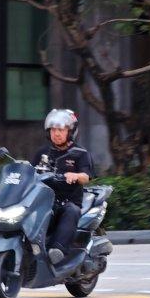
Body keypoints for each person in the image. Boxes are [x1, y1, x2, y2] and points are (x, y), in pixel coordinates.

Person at [31, 109, 94, 265]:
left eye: (61, 130)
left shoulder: (79, 153)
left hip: (68, 201)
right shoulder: (43, 152)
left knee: (71, 210)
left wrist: (76, 176)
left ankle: (58, 249)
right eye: (53, 130)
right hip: (44, 200)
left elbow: (86, 176)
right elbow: (30, 172)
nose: (56, 133)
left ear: (70, 132)